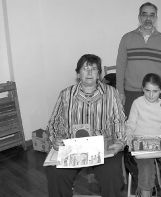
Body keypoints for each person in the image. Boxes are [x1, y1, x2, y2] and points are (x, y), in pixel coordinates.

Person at [44, 54, 126, 197]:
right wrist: (55, 138)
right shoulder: (65, 94)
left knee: (112, 175)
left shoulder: (111, 93)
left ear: (99, 74)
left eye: (93, 69)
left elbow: (119, 120)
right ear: (78, 73)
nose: (89, 72)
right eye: (85, 69)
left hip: (103, 146)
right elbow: (54, 122)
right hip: (72, 148)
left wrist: (120, 141)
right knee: (55, 173)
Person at [116, 2, 161, 116]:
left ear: (156, 18)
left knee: (155, 127)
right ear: (139, 17)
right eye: (144, 14)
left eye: (152, 15)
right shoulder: (126, 38)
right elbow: (120, 67)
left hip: (155, 93)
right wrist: (120, 92)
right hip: (131, 93)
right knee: (131, 128)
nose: (148, 18)